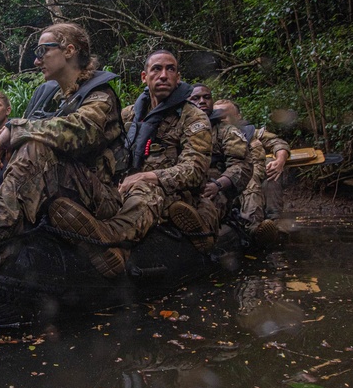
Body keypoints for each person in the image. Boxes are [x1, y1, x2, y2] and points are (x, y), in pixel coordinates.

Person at [0, 22, 125, 282]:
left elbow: (82, 131)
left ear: (69, 50)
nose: (36, 59)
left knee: (33, 145)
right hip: (70, 185)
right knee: (29, 145)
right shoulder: (60, 99)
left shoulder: (100, 95)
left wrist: (15, 128)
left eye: (43, 50)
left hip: (101, 196)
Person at [46, 49, 213, 275]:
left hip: (168, 192)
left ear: (178, 77)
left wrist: (146, 176)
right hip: (122, 187)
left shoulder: (192, 117)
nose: (163, 75)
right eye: (157, 69)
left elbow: (196, 170)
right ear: (144, 77)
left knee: (146, 191)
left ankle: (106, 236)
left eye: (170, 69)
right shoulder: (128, 115)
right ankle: (104, 245)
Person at [216, 99, 290, 245]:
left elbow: (278, 143)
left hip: (256, 178)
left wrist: (280, 160)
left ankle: (274, 222)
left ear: (238, 116)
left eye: (226, 114)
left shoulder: (252, 133)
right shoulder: (209, 135)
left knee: (270, 168)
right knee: (248, 180)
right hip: (227, 183)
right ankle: (253, 228)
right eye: (217, 114)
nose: (221, 118)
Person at [187, 85, 253, 232]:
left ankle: (203, 236)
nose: (202, 101)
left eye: (207, 97)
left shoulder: (227, 131)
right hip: (185, 185)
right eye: (196, 98)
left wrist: (218, 185)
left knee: (206, 208)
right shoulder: (180, 129)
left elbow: (242, 166)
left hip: (216, 188)